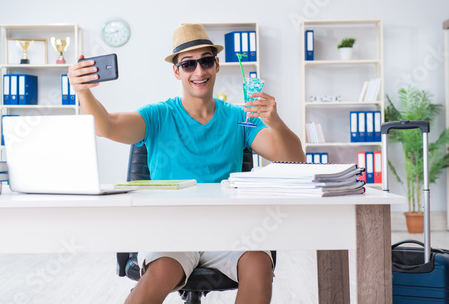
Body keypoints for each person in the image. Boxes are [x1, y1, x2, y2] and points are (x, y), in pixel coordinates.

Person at [68, 24, 305, 304]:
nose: (199, 71)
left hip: (229, 232)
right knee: (161, 272)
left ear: (216, 65)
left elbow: (294, 159)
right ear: (176, 71)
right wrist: (83, 92)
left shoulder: (240, 119)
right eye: (188, 64)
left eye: (205, 61)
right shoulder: (158, 116)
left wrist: (274, 121)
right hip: (172, 231)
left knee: (259, 264)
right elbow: (106, 126)